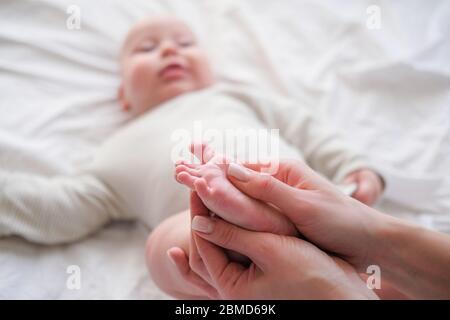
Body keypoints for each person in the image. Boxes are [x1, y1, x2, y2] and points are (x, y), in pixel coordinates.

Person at [169, 158, 450, 299]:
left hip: (291, 197)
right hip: (188, 212)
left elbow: (310, 131)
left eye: (185, 42)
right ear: (124, 96)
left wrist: (355, 167)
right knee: (171, 243)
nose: (169, 51)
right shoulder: (132, 136)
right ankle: (253, 224)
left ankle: (257, 222)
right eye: (146, 49)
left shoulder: (238, 93)